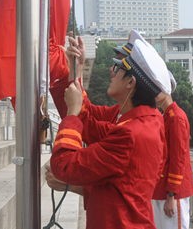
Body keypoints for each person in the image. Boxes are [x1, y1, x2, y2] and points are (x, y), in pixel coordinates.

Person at [49, 34, 171, 229]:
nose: (111, 71)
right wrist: (76, 72)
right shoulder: (147, 120)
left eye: (117, 67)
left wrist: (72, 114)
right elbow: (89, 124)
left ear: (131, 83)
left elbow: (64, 166)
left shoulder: (129, 133)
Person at [151, 73, 193, 229]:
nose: (154, 91)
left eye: (158, 87)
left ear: (167, 88)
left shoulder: (176, 117)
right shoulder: (167, 116)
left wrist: (171, 194)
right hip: (163, 189)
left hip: (172, 192)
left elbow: (178, 159)